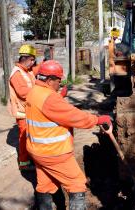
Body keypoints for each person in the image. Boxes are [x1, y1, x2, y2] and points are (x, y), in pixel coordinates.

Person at [25, 60, 112, 210]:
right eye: (58, 80)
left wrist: (59, 96)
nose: (59, 83)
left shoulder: (34, 92)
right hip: (54, 152)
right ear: (50, 79)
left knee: (45, 185)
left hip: (37, 151)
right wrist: (97, 120)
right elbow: (73, 116)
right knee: (77, 184)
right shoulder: (50, 99)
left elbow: (47, 108)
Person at [8, 44, 37, 171]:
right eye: (32, 60)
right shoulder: (17, 73)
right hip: (22, 111)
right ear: (26, 58)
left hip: (28, 109)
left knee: (30, 136)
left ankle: (29, 158)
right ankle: (24, 163)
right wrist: (39, 92)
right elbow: (23, 92)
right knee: (24, 137)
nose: (33, 63)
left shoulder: (27, 71)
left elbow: (35, 72)